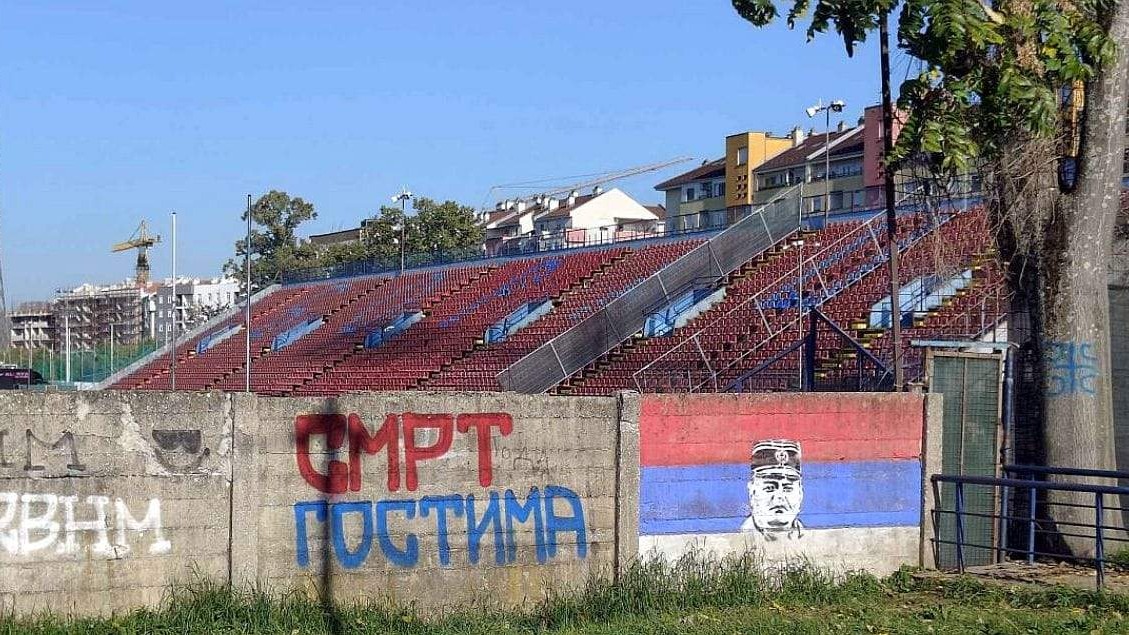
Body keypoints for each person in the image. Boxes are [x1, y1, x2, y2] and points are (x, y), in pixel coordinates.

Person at [740, 439, 804, 540]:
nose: (779, 497)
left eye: (787, 488)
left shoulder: (811, 541)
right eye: (770, 488)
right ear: (752, 493)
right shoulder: (740, 540)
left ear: (800, 494)